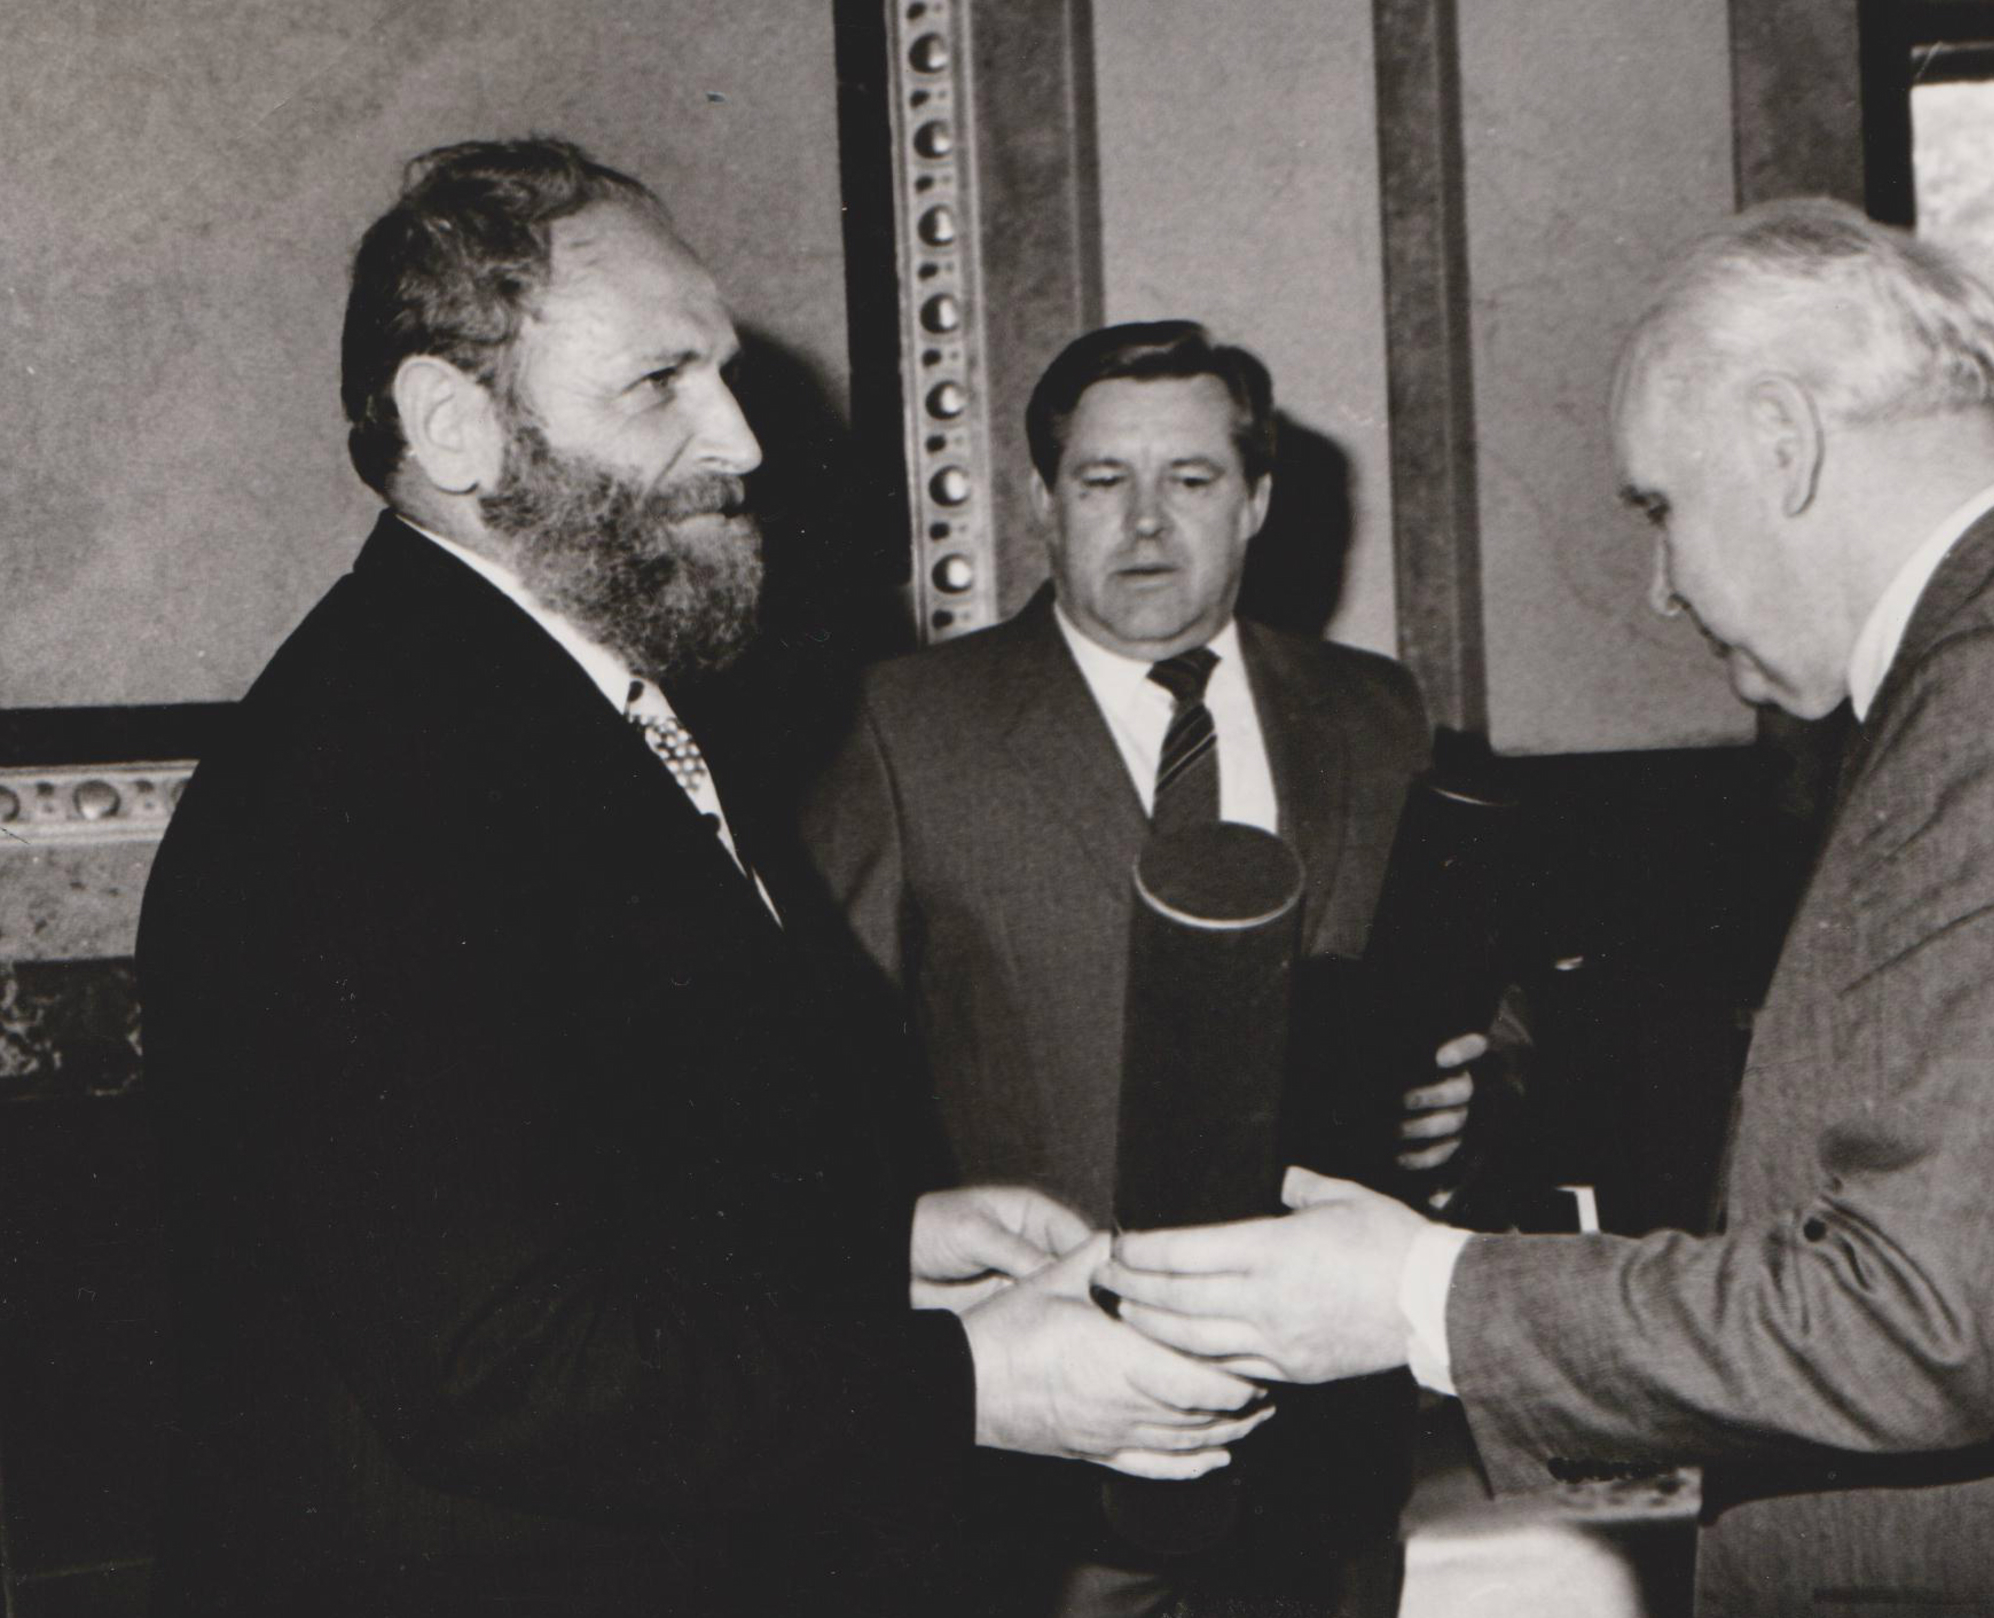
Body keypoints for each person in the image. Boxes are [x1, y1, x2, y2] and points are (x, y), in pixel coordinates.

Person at [1102, 199, 1994, 1615]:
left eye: (1661, 508)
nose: (1661, 588)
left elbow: (1928, 1325)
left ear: (1783, 442)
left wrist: (1420, 1295)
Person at [135, 138, 1267, 1618]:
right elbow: (504, 1359)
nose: (738, 438)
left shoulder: (557, 699)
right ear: (455, 427)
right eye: (658, 383)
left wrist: (882, 1251)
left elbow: (607, 1164)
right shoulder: (358, 782)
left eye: (721, 373)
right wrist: (974, 1380)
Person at [798, 320, 1494, 1615]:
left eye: (1192, 478)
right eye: (1104, 479)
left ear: (1258, 500)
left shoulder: (1373, 709)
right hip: (1042, 1461)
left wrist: (1471, 1088)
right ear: (1042, 500)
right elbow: (801, 1062)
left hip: (1329, 1446)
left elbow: (1467, 991)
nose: (1147, 523)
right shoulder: (906, 724)